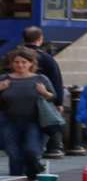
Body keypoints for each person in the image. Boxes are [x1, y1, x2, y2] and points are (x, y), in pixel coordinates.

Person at [0, 48, 57, 178]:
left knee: (31, 151)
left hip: (34, 122)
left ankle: (33, 173)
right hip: (9, 121)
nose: (20, 65)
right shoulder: (4, 79)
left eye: (24, 62)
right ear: (11, 63)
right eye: (16, 62)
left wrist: (44, 92)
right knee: (14, 154)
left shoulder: (40, 79)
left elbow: (53, 98)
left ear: (31, 63)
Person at [19, 26, 64, 157]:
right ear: (40, 39)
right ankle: (50, 149)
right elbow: (56, 80)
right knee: (39, 131)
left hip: (15, 104)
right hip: (40, 103)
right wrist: (58, 102)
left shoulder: (12, 56)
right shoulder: (46, 58)